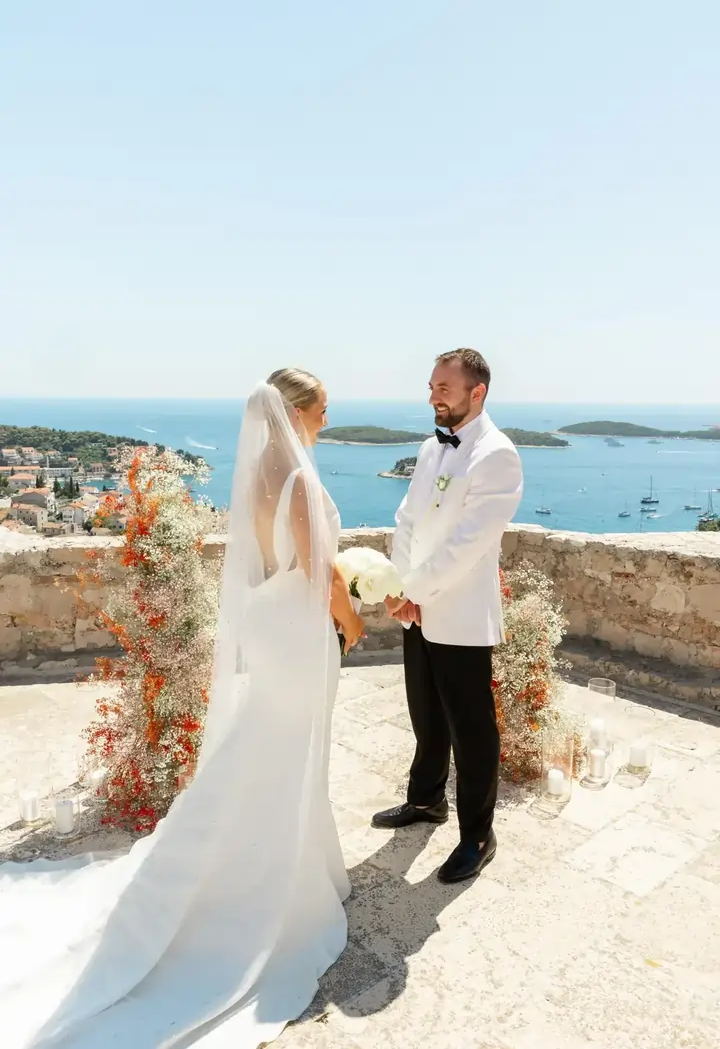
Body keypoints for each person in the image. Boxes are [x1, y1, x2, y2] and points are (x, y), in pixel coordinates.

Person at [0, 370, 364, 1049]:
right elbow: (322, 577)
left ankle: (279, 866)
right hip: (299, 639)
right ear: (301, 414)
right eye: (323, 413)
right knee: (288, 754)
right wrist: (355, 621)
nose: (326, 423)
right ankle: (280, 889)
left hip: (268, 635)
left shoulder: (256, 480)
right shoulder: (302, 482)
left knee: (262, 753)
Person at [375, 348, 523, 884]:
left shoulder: (497, 455)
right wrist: (399, 589)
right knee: (426, 715)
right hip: (418, 608)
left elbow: (467, 544)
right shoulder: (428, 446)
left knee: (472, 728)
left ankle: (478, 836)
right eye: (432, 385)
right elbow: (407, 520)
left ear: (476, 392)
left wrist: (413, 588)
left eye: (444, 387)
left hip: (459, 615)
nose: (433, 395)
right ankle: (425, 801)